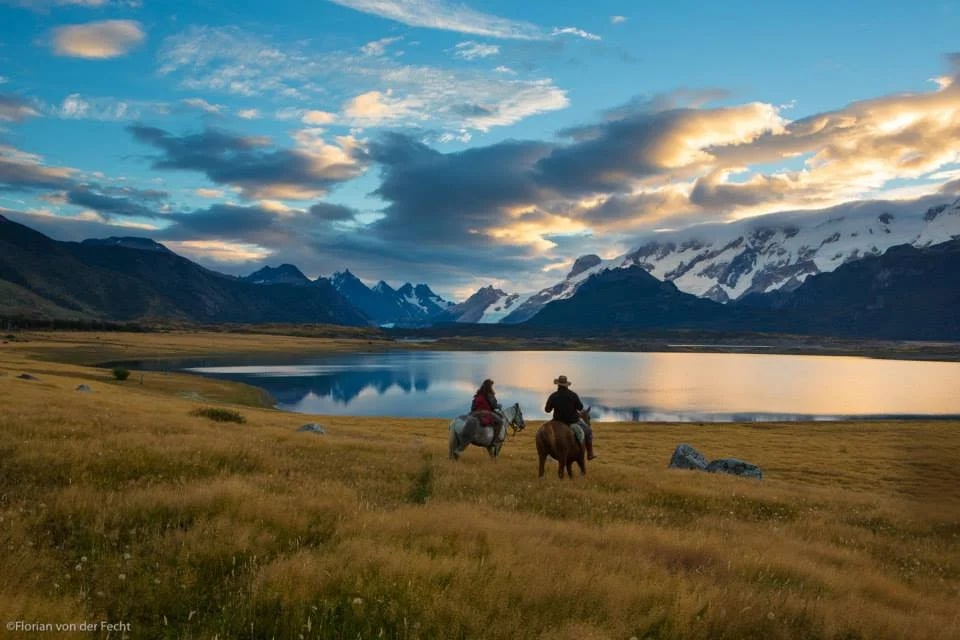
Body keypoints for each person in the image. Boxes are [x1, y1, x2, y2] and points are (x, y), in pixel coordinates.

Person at [544, 374, 595, 460]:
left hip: (557, 421)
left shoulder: (553, 396)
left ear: (558, 384)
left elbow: (547, 410)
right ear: (566, 385)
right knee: (588, 431)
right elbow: (580, 407)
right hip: (572, 421)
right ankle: (590, 453)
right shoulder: (573, 395)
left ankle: (547, 452)